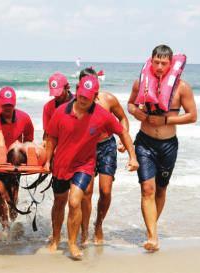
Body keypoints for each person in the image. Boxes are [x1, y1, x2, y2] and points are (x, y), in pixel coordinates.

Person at [45, 75, 139, 258]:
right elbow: (51, 138)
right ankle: (56, 238)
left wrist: (132, 156)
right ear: (77, 91)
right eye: (81, 95)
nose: (82, 99)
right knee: (59, 202)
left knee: (74, 202)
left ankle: (73, 243)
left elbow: (123, 132)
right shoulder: (61, 111)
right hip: (62, 164)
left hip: (84, 165)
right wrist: (48, 160)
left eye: (87, 97)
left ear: (95, 96)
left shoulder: (102, 115)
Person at [127, 45, 197, 251]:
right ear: (151, 60)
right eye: (156, 62)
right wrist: (136, 113)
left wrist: (165, 120)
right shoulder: (141, 83)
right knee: (147, 189)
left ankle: (151, 227)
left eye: (163, 63)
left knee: (161, 189)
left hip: (168, 145)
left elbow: (192, 116)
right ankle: (152, 237)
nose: (159, 67)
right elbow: (130, 104)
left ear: (170, 64)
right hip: (144, 143)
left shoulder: (182, 88)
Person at [78, 67, 130, 245]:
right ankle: (84, 229)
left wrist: (124, 140)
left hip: (107, 146)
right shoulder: (76, 103)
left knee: (105, 191)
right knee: (86, 192)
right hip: (86, 148)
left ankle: (98, 224)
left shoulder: (108, 99)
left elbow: (123, 118)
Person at [0, 86, 34, 240]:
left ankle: (10, 220)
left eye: (10, 105)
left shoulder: (24, 118)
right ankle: (5, 228)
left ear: (14, 104)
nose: (7, 108)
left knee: (13, 200)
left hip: (13, 165)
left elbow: (29, 140)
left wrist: (25, 157)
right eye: (4, 105)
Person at [42, 72, 73, 144]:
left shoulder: (79, 103)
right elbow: (47, 134)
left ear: (67, 87)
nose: (56, 96)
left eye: (59, 92)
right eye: (54, 93)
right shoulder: (48, 107)